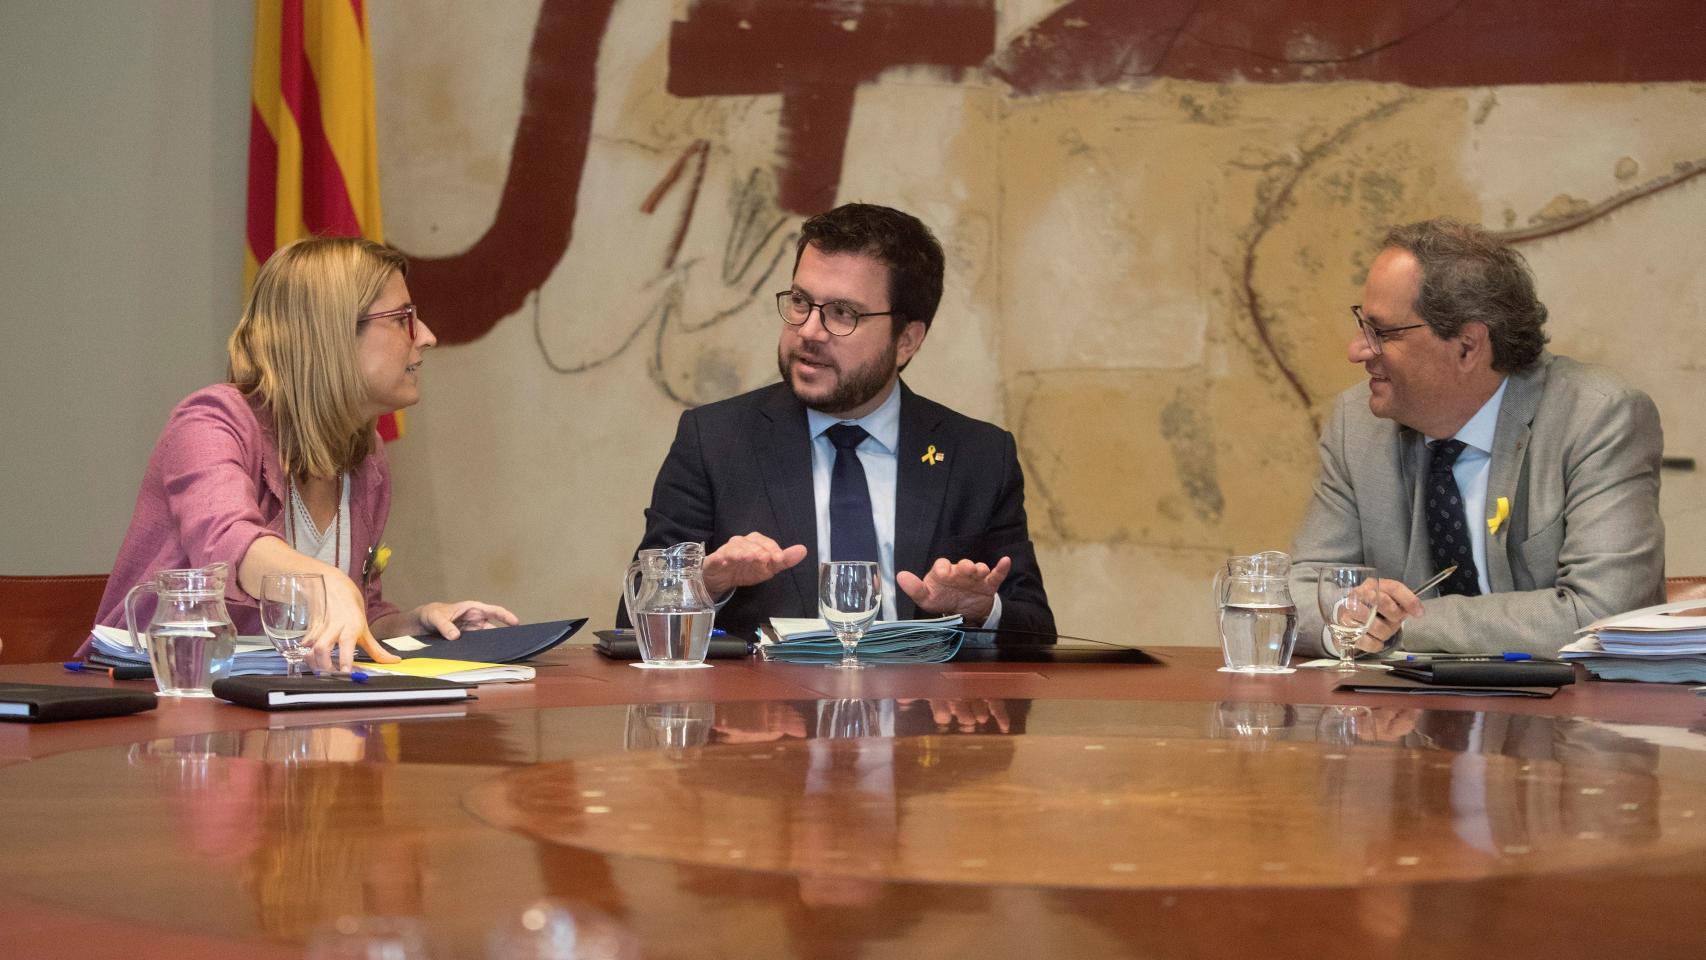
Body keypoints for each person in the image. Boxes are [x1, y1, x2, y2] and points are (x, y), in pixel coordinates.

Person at [626, 203, 1054, 637]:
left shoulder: (978, 456)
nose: (810, 331)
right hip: (766, 703)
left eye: (842, 313)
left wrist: (981, 609)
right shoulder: (715, 441)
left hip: (919, 704)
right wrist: (708, 583)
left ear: (906, 341)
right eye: (800, 302)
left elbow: (1036, 627)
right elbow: (633, 622)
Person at [93, 237, 516, 671]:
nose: (426, 336)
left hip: (283, 708)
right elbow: (227, 544)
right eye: (403, 318)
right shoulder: (211, 422)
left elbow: (354, 619)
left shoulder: (363, 455)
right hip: (161, 700)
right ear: (329, 332)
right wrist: (323, 584)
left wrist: (415, 626)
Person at [1291, 217, 1664, 656]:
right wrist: (1350, 615)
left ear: (1467, 346)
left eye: (1383, 333)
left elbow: (1602, 613)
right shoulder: (1357, 424)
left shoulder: (1597, 417)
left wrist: (1398, 626)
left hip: (1568, 712)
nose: (1357, 351)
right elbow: (1301, 594)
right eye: (1362, 325)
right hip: (1400, 715)